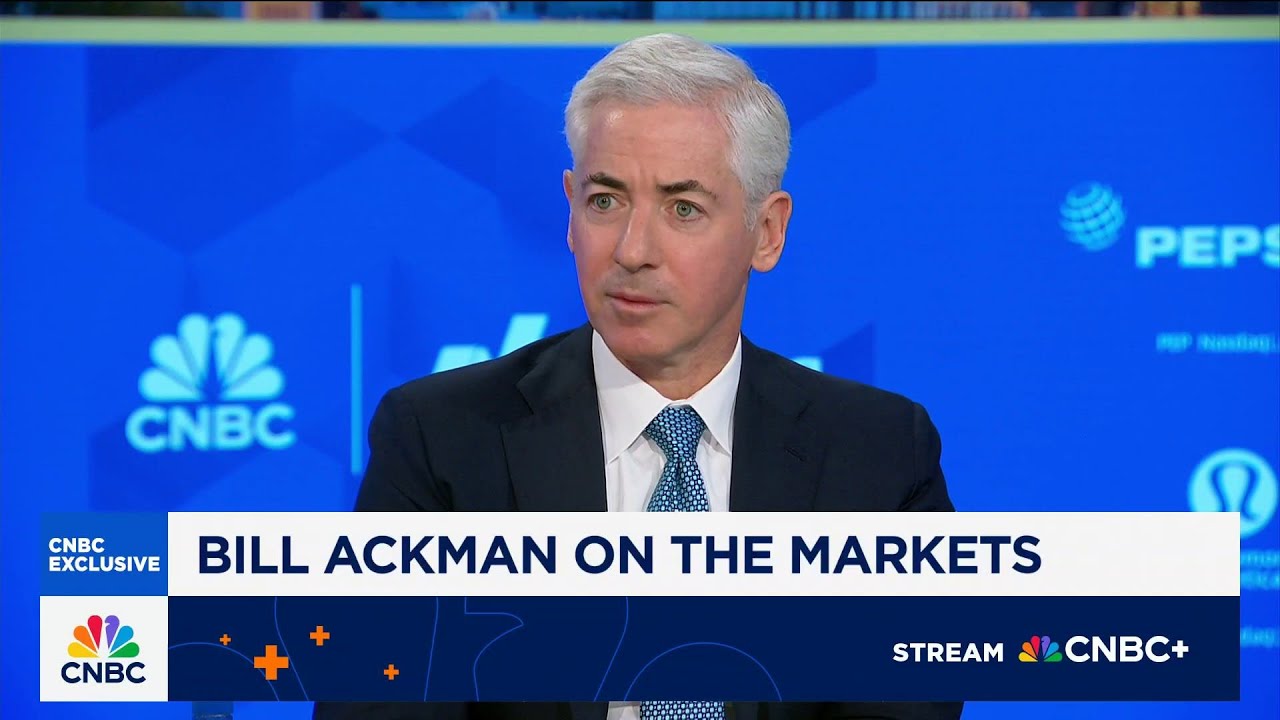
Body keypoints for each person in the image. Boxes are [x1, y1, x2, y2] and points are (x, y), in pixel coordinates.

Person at [314, 32, 960, 720]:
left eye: (683, 208)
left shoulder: (876, 453)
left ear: (767, 232)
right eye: (605, 201)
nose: (632, 250)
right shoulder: (440, 438)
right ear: (570, 209)